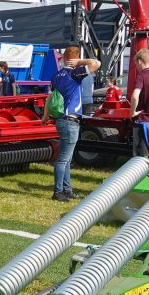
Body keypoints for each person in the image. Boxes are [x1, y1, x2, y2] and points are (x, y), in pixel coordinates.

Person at [42, 46, 101, 201]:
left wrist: (45, 115)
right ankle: (58, 191)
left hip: (60, 120)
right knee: (63, 159)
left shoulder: (56, 75)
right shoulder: (75, 73)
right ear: (76, 58)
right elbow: (97, 63)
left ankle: (67, 189)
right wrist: (80, 62)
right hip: (71, 120)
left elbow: (50, 97)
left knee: (66, 158)